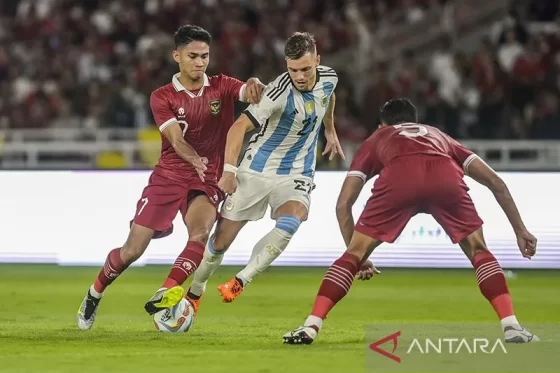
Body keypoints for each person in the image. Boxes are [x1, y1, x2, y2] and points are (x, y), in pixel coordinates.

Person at [282, 98, 539, 344]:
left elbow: (343, 204)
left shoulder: (377, 138)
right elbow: (496, 183)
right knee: (479, 250)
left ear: (382, 125)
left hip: (398, 181)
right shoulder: (438, 135)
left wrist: (357, 255)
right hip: (445, 177)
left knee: (352, 254)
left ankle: (311, 325)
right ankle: (511, 326)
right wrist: (520, 229)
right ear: (415, 121)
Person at [76, 24, 264, 330]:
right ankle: (94, 293)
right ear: (177, 56)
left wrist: (255, 84)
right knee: (132, 250)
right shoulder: (161, 96)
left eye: (204, 56)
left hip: (206, 180)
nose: (200, 62)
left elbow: (248, 90)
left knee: (200, 233)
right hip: (169, 176)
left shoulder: (222, 86)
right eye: (193, 56)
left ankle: (166, 291)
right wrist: (195, 159)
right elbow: (176, 140)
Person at [178, 31, 344, 312]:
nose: (300, 77)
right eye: (293, 70)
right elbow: (238, 127)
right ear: (285, 66)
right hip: (256, 170)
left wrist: (330, 129)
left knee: (293, 220)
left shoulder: (329, 77)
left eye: (306, 69)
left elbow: (329, 97)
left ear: (318, 60)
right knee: (219, 243)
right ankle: (195, 292)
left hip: (298, 172)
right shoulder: (277, 92)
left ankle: (241, 280)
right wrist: (229, 171)